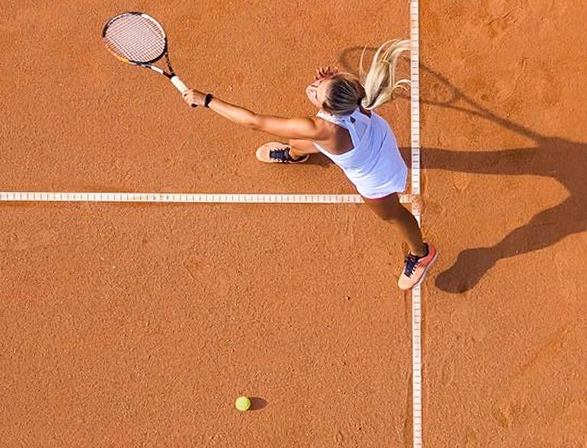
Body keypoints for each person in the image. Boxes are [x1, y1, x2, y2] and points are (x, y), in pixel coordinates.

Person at [180, 40, 437, 290]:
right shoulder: (353, 92)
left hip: (375, 171)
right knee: (298, 141)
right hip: (374, 135)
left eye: (318, 91)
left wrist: (207, 100)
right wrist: (330, 83)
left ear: (329, 109)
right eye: (321, 83)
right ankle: (296, 154)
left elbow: (254, 122)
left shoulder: (320, 128)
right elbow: (336, 94)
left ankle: (421, 254)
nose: (313, 87)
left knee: (391, 215)